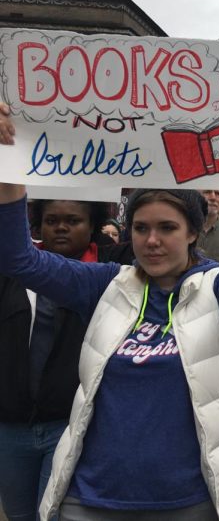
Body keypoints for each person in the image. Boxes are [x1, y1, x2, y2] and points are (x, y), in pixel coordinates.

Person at [0, 107, 219, 521]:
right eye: (140, 228)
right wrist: (8, 165)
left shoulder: (218, 288)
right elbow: (19, 259)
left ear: (192, 232)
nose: (152, 241)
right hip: (92, 498)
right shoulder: (106, 285)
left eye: (167, 228)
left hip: (188, 501)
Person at [0, 198, 117, 521]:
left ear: (92, 225)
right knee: (19, 514)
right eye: (52, 220)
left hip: (69, 425)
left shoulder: (110, 279)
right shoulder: (10, 274)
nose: (61, 227)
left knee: (51, 514)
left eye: (72, 220)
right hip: (11, 428)